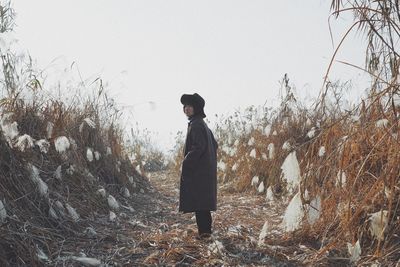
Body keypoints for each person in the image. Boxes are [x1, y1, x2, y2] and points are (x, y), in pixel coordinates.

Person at [179, 93, 218, 239]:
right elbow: (214, 145)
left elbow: (198, 147)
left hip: (199, 173)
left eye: (189, 106)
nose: (186, 109)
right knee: (202, 205)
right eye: (185, 106)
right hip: (204, 172)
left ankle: (205, 235)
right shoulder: (202, 124)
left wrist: (187, 161)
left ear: (197, 108)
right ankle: (205, 234)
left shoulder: (196, 124)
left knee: (200, 205)